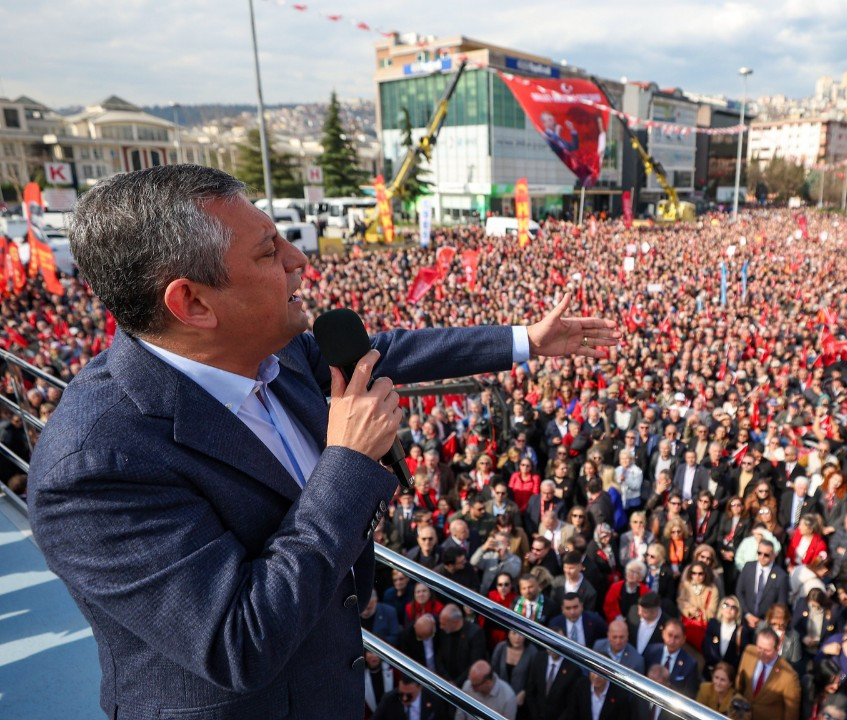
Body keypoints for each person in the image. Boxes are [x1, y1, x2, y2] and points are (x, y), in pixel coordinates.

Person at [24, 165, 621, 719]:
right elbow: (239, 642)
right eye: (268, 251)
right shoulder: (96, 464)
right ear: (193, 303)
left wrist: (524, 340)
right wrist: (347, 463)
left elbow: (388, 351)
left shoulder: (272, 349)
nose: (299, 260)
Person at [736, 627, 802, 720]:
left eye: (767, 650)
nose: (761, 653)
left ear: (778, 648)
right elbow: (739, 684)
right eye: (759, 648)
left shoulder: (789, 676)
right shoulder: (749, 652)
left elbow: (791, 712)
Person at [643, 618, 699, 698]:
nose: (672, 641)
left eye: (676, 637)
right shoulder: (651, 651)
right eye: (670, 635)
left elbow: (689, 695)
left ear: (683, 639)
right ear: (663, 634)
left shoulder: (690, 664)